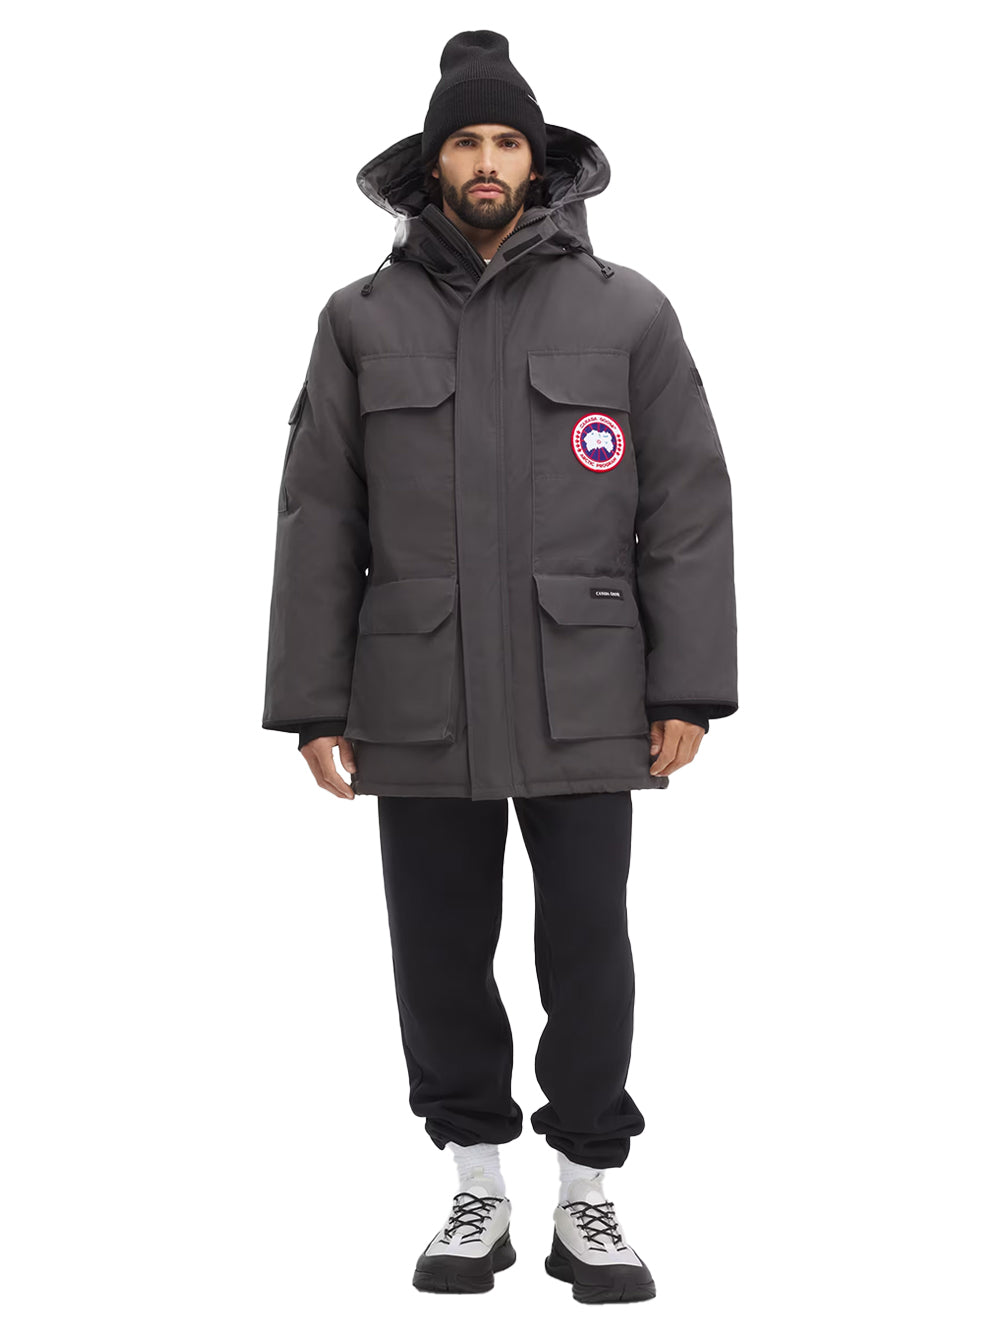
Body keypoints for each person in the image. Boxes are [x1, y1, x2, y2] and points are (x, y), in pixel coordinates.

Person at [261, 29, 738, 1304]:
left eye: (505, 141)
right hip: (415, 693)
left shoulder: (626, 311)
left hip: (586, 691)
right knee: (437, 947)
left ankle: (589, 1193)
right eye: (465, 141)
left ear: (539, 162)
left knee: (587, 944)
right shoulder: (359, 320)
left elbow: (685, 504)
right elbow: (321, 515)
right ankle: (475, 1182)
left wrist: (685, 686)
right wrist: (312, 701)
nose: (485, 160)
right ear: (432, 164)